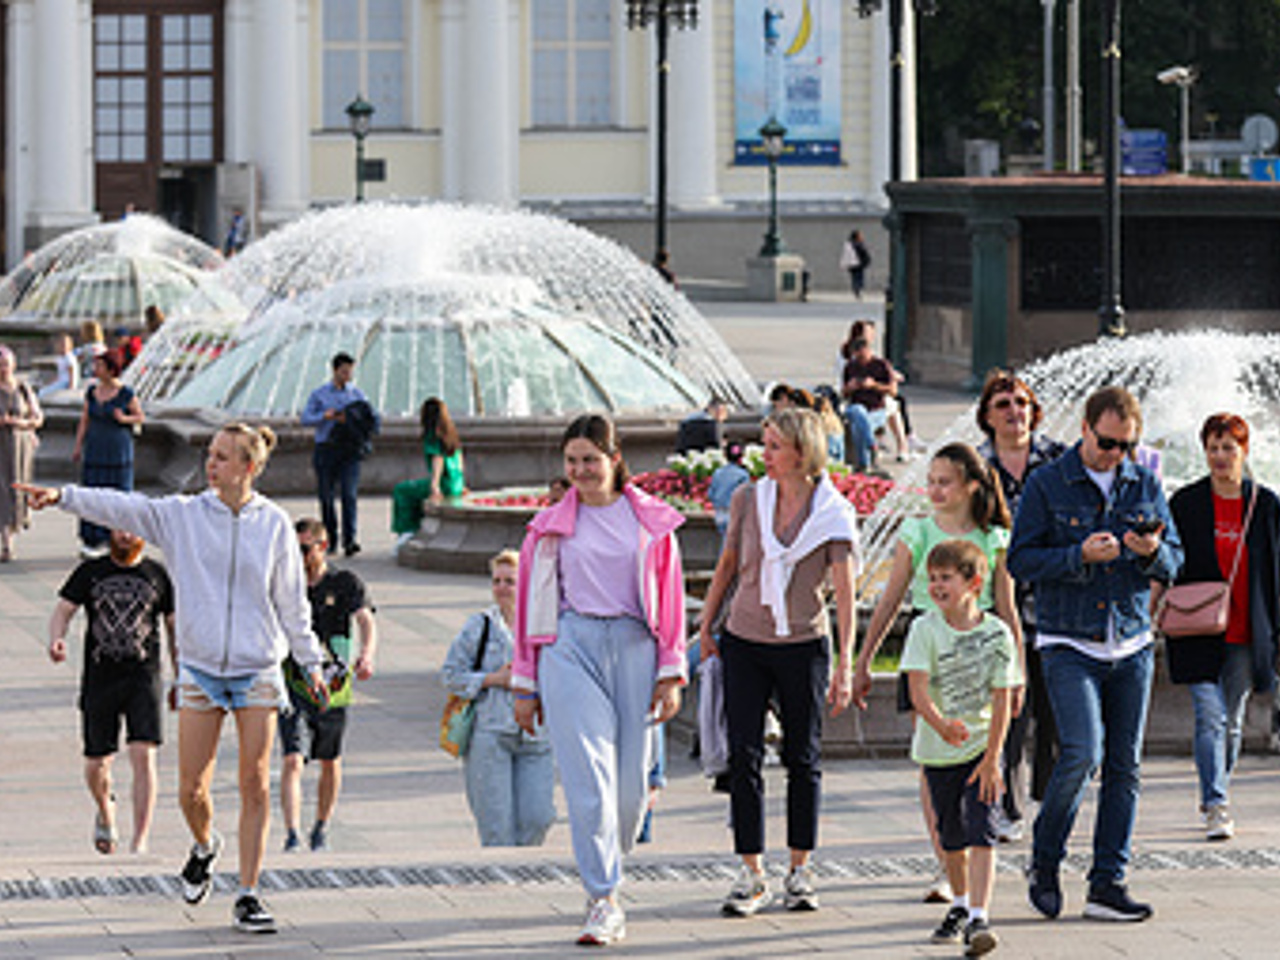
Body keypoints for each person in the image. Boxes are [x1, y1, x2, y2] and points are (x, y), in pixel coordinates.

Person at [17, 423, 331, 935]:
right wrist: (63, 497)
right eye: (210, 454)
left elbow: (292, 605)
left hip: (256, 669)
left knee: (255, 782)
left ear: (248, 468)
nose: (211, 465)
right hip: (202, 671)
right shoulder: (183, 516)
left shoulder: (273, 524)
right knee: (191, 791)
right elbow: (124, 507)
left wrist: (311, 664)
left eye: (223, 457)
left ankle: (249, 893)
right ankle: (206, 847)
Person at [1008, 385, 1182, 923]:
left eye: (1126, 445)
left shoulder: (1145, 481)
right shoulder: (1047, 482)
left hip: (1131, 640)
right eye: (1107, 442)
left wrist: (1153, 554)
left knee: (1125, 767)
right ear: (1085, 428)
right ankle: (1045, 859)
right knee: (1082, 753)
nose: (1116, 455)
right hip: (1068, 639)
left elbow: (1175, 562)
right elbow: (1020, 561)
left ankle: (1108, 882)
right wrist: (1076, 555)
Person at [512, 413, 686, 947]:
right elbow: (526, 606)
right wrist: (525, 682)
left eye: (590, 459)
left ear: (613, 459)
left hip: (635, 646)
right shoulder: (546, 528)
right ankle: (603, 898)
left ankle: (612, 856)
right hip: (569, 648)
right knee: (588, 779)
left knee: (629, 793)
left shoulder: (650, 523)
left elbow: (673, 599)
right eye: (572, 461)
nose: (581, 470)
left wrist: (671, 671)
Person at [697, 408, 859, 918]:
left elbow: (847, 593)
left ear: (800, 452)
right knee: (743, 757)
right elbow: (727, 564)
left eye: (772, 446)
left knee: (802, 757)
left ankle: (800, 870)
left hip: (804, 645)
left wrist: (846, 664)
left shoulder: (831, 511)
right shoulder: (748, 498)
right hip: (744, 639)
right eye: (762, 444)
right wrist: (705, 624)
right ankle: (751, 872)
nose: (761, 455)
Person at [852, 442, 1023, 904]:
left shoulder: (994, 537)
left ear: (971, 484)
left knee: (981, 757)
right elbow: (889, 599)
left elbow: (1007, 608)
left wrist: (1019, 669)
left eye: (944, 481)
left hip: (982, 651)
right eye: (930, 481)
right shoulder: (918, 530)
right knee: (936, 764)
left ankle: (975, 850)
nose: (934, 490)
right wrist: (863, 659)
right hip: (929, 653)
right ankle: (948, 863)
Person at [1165, 413, 1280, 842]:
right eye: (1212, 447)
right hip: (1197, 629)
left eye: (1228, 447)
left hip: (1246, 634)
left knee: (1230, 722)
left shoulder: (1265, 504)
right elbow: (1171, 562)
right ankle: (1215, 804)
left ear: (1244, 451)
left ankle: (1218, 792)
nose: (1219, 456)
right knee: (1210, 717)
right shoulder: (1185, 503)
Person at [902, 540, 1020, 957]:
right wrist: (940, 724)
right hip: (937, 751)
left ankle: (979, 916)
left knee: (982, 831)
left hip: (981, 751)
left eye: (946, 578)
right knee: (951, 837)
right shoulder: (924, 629)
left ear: (973, 582)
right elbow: (917, 689)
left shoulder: (996, 633)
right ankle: (958, 901)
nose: (936, 586)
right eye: (932, 578)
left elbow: (1003, 698)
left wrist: (993, 758)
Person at [975, 370, 1066, 840]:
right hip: (995, 609)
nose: (1016, 412)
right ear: (987, 416)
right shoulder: (976, 465)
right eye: (1004, 404)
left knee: (1052, 712)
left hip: (1052, 606)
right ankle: (1005, 807)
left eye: (1023, 403)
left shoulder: (1058, 460)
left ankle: (1049, 802)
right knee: (1006, 711)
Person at [48, 528, 176, 855]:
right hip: (100, 677)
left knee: (143, 755)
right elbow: (63, 609)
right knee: (96, 763)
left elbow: (174, 628)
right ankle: (106, 810)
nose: (124, 535)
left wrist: (182, 676)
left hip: (143, 677)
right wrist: (56, 638)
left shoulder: (157, 574)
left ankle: (140, 840)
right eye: (118, 528)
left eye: (130, 529)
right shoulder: (91, 571)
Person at [443, 549, 555, 847]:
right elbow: (451, 675)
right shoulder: (479, 626)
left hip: (538, 736)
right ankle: (503, 884)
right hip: (489, 734)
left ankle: (522, 869)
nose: (502, 588)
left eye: (510, 581)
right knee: (496, 829)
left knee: (539, 817)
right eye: (497, 581)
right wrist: (495, 679)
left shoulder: (546, 625)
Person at [280, 517, 378, 853]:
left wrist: (366, 655)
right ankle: (292, 833)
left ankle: (320, 826)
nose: (298, 555)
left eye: (304, 549)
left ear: (322, 547)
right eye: (293, 549)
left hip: (333, 686)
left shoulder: (345, 582)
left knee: (329, 760)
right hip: (292, 681)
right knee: (293, 758)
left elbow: (365, 619)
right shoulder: (285, 583)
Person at [301, 352, 378, 557]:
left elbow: (371, 417)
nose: (348, 376)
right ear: (335, 370)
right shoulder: (319, 394)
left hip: (350, 450)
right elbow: (306, 418)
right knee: (326, 497)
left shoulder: (357, 394)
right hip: (326, 448)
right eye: (344, 371)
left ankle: (350, 540)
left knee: (349, 495)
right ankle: (330, 540)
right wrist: (324, 416)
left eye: (351, 371)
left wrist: (352, 419)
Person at [73, 348, 144, 557]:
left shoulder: (126, 393)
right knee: (92, 492)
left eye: (100, 366)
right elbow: (84, 420)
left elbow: (140, 417)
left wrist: (124, 419)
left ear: (112, 369)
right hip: (95, 449)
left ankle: (115, 539)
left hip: (118, 451)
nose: (96, 369)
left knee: (117, 494)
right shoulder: (92, 392)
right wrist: (78, 446)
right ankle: (91, 538)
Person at [391, 397, 465, 552]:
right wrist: (462, 484)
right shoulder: (450, 432)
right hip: (455, 484)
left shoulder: (433, 433)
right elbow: (459, 458)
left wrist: (435, 485)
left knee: (402, 490)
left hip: (444, 485)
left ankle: (408, 531)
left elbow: (438, 458)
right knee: (414, 490)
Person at [0, 344, 43, 562]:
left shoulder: (23, 388)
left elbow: (38, 418)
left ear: (13, 365)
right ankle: (6, 543)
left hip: (19, 446)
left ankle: (12, 529)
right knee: (2, 490)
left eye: (6, 364)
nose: (3, 369)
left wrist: (20, 422)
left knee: (16, 487)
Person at [708, 440, 752, 543]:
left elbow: (711, 493)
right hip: (735, 514)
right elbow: (746, 495)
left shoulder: (718, 473)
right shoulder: (743, 474)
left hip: (719, 514)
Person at [39, 332, 81, 399]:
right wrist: (50, 383)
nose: (62, 346)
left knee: (42, 393)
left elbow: (72, 372)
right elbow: (59, 374)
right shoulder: (60, 358)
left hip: (66, 383)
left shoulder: (69, 357)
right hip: (61, 382)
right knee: (43, 390)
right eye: (61, 344)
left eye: (64, 344)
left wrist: (71, 387)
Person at [839, 229, 872, 299]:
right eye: (860, 235)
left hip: (852, 264)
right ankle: (858, 290)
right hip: (857, 264)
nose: (862, 237)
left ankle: (856, 290)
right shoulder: (857, 244)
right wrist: (866, 260)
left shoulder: (849, 244)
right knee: (858, 277)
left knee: (855, 277)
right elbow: (863, 253)